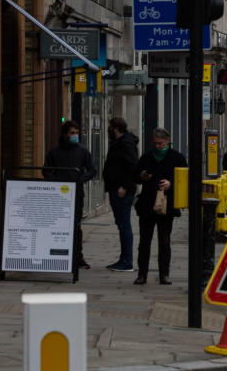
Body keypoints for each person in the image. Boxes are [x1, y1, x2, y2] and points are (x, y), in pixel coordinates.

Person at [133, 128, 187, 285]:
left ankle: (164, 274)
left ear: (168, 141)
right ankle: (142, 274)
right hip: (147, 204)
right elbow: (135, 175)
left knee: (164, 241)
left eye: (161, 144)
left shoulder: (177, 157)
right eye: (156, 143)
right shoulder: (147, 157)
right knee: (144, 241)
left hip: (167, 206)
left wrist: (171, 183)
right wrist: (142, 176)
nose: (158, 147)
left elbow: (184, 179)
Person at [44, 120, 97, 270]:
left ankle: (77, 256)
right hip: (58, 195)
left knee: (76, 225)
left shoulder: (83, 151)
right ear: (65, 134)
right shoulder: (55, 152)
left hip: (76, 193)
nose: (75, 136)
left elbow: (92, 170)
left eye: (76, 133)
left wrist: (80, 179)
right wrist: (56, 182)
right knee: (57, 224)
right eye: (72, 133)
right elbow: (46, 170)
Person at [102, 116, 139, 271]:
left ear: (115, 128)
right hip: (116, 189)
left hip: (121, 191)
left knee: (124, 225)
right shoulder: (120, 143)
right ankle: (124, 259)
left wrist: (124, 186)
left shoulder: (126, 144)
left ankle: (127, 261)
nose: (108, 130)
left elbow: (133, 167)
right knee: (122, 224)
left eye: (110, 127)